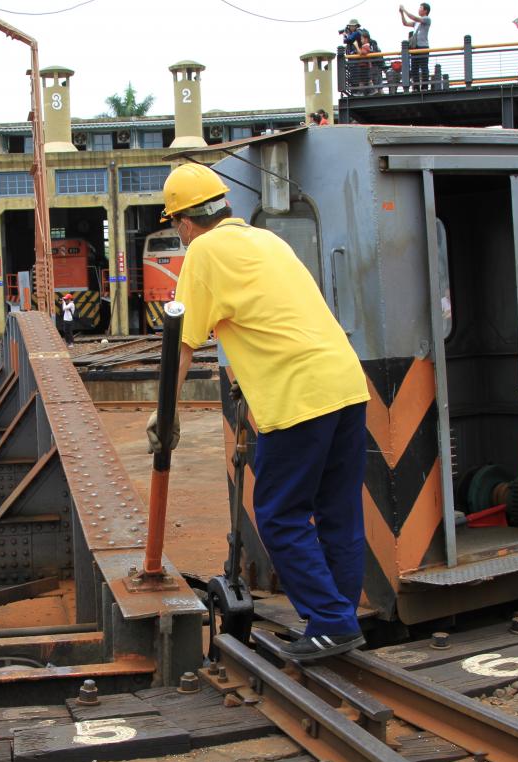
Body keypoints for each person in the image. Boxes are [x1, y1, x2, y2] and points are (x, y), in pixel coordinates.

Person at [147, 164, 370, 661]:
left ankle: (332, 621)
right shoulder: (269, 242)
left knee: (279, 516)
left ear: (183, 222)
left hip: (297, 399)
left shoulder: (204, 251)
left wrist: (166, 414)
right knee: (339, 514)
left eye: (175, 226)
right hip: (347, 386)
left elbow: (181, 342)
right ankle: (340, 618)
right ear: (223, 205)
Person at [399, 3, 431, 90]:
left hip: (423, 46)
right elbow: (405, 23)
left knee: (424, 67)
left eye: (420, 8)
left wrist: (404, 10)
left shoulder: (427, 19)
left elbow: (414, 18)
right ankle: (416, 86)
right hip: (415, 47)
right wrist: (401, 13)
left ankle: (424, 86)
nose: (419, 9)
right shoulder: (417, 22)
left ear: (425, 10)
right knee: (414, 67)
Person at [355, 29, 384, 94]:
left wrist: (356, 46)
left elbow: (362, 52)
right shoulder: (367, 45)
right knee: (364, 79)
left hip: (368, 66)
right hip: (368, 66)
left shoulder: (366, 46)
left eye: (362, 39)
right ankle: (362, 92)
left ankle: (373, 90)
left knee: (369, 79)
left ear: (366, 39)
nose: (361, 40)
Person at [340, 19, 363, 91]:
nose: (350, 27)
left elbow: (347, 40)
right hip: (353, 60)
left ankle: (357, 91)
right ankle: (356, 91)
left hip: (355, 60)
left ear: (355, 26)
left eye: (351, 26)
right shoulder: (356, 33)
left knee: (355, 76)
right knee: (354, 76)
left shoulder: (357, 33)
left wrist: (345, 35)